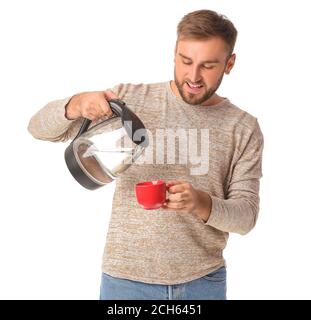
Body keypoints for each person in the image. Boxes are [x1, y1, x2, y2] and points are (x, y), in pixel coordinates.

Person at [28, 9, 264, 300]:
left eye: (208, 65)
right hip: (125, 282)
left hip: (202, 282)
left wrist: (201, 203)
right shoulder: (128, 99)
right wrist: (76, 104)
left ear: (229, 64)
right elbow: (37, 128)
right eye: (185, 61)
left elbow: (246, 217)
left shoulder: (243, 127)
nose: (193, 76)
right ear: (174, 54)